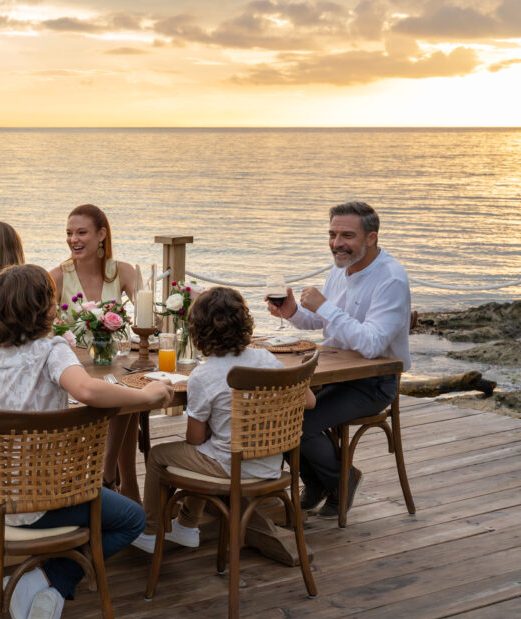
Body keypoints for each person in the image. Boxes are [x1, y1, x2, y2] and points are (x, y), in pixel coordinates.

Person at [0, 264, 172, 619]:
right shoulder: (51, 349)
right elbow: (89, 391)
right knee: (130, 520)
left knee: (103, 513)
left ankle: (47, 588)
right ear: (46, 309)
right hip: (45, 501)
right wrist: (146, 396)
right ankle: (46, 580)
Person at [131, 287, 316, 553]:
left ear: (198, 331)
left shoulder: (204, 376)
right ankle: (185, 526)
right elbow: (309, 401)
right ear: (244, 323)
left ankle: (150, 531)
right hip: (271, 463)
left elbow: (194, 439)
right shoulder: (267, 358)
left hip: (234, 467)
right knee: (206, 450)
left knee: (160, 455)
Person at [268, 201, 411, 519]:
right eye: (332, 234)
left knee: (297, 422)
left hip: (373, 382)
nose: (336, 243)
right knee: (274, 411)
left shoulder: (391, 279)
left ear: (371, 238)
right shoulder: (341, 268)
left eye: (347, 235)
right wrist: (292, 311)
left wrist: (324, 306)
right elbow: (322, 322)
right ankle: (318, 484)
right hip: (333, 372)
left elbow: (372, 345)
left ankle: (343, 480)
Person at [49, 204, 142, 502]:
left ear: (101, 234)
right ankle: (117, 481)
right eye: (69, 233)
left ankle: (112, 480)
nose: (73, 240)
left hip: (115, 367)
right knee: (126, 397)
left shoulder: (123, 272)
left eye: (81, 233)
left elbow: (148, 318)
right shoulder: (57, 277)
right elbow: (43, 331)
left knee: (126, 390)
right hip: (75, 374)